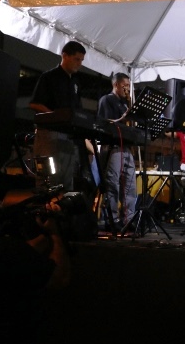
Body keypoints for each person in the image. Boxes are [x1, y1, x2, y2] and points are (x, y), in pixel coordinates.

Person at [0, 185, 70, 344]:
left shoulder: (3, 250)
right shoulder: (6, 250)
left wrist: (45, 235)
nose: (0, 206)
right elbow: (59, 278)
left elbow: (22, 255)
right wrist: (56, 235)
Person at [30, 41, 91, 193]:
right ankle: (46, 207)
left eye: (81, 60)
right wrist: (56, 117)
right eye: (77, 59)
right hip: (49, 134)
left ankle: (62, 207)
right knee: (48, 179)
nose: (80, 64)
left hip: (68, 137)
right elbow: (35, 104)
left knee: (66, 181)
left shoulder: (75, 82)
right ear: (65, 56)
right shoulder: (49, 77)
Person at [96, 72, 137, 231]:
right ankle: (111, 220)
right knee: (112, 184)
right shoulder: (107, 100)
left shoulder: (125, 103)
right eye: (124, 86)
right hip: (113, 147)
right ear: (116, 85)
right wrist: (125, 116)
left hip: (126, 147)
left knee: (130, 186)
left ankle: (129, 219)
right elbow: (106, 123)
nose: (127, 89)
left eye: (128, 86)